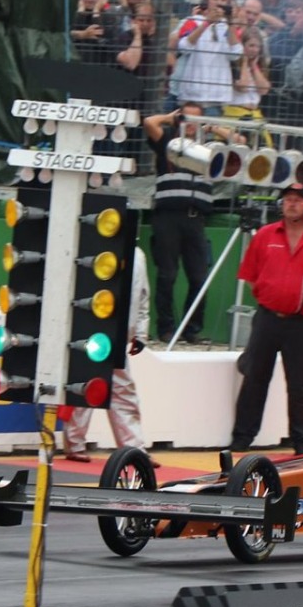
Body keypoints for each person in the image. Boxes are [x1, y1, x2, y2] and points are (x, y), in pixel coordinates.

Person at [229, 182, 303, 455]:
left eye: (298, 199)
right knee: (254, 378)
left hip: (300, 323)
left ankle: (301, 441)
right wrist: (270, 294)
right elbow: (250, 274)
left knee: (301, 383)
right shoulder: (265, 235)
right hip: (267, 318)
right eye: (288, 199)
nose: (292, 203)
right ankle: (242, 437)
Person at [58, 251, 151, 464]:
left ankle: (134, 449)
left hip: (118, 336)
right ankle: (75, 444)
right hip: (90, 330)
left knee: (123, 392)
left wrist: (140, 333)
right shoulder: (93, 247)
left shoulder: (137, 256)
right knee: (85, 387)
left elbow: (143, 295)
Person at [142, 103, 212, 345]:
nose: (190, 123)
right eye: (186, 118)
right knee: (167, 275)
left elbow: (239, 140)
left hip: (196, 219)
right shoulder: (168, 143)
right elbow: (149, 122)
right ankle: (166, 329)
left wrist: (214, 128)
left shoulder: (210, 150)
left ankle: (191, 330)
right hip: (167, 218)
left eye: (196, 119)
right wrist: (170, 118)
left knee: (199, 277)